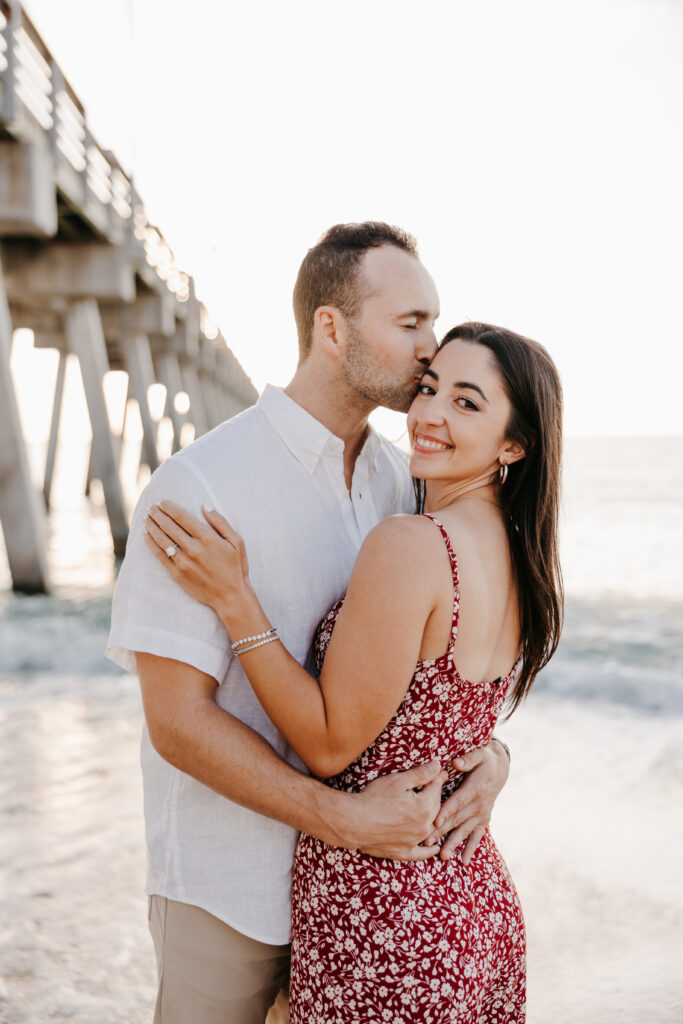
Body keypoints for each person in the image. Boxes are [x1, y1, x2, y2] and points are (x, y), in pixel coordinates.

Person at [107, 224, 512, 1024]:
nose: (431, 350)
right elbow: (178, 723)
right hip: (232, 889)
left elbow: (440, 662)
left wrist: (492, 755)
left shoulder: (406, 485)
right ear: (332, 329)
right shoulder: (199, 488)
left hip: (365, 897)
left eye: (433, 323)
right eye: (410, 324)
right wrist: (343, 820)